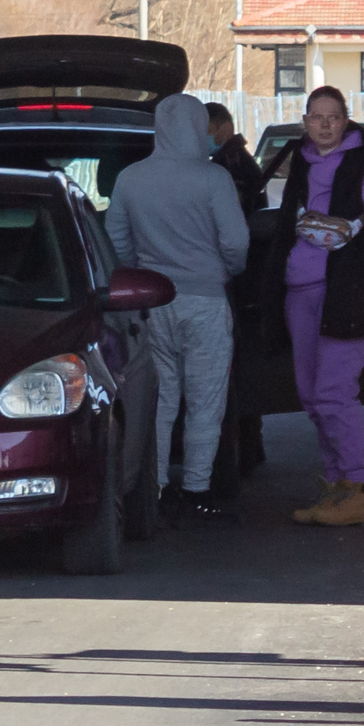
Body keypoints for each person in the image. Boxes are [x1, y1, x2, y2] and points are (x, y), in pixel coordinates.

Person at [104, 94, 250, 520]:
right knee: (206, 398)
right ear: (198, 126)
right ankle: (197, 489)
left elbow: (116, 241)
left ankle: (156, 485)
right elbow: (237, 242)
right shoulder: (214, 179)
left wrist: (138, 276)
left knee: (159, 398)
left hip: (152, 303)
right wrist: (223, 271)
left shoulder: (131, 179)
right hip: (205, 301)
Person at [275, 86, 364, 528]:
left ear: (346, 120)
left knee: (334, 392)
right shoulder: (301, 166)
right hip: (301, 293)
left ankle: (359, 489)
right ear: (305, 121)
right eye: (317, 116)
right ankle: (335, 487)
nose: (325, 124)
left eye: (333, 116)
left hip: (347, 293)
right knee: (312, 397)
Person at [204, 103, 272, 475]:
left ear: (223, 126)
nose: (207, 134)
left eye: (210, 126)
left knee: (236, 367)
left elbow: (241, 229)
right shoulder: (223, 164)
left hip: (236, 282)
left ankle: (244, 443)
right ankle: (245, 443)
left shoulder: (236, 167)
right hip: (230, 281)